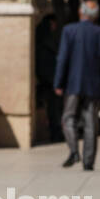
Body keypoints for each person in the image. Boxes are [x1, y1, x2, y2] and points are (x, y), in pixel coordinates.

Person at [54, 0, 100, 171]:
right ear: (96, 16)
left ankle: (74, 150)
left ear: (81, 13)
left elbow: (63, 59)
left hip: (72, 84)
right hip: (94, 86)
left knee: (68, 117)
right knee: (91, 123)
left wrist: (58, 82)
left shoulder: (69, 31)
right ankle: (89, 162)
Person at [35, 12, 64, 145]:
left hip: (47, 78)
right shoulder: (46, 40)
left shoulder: (41, 37)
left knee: (53, 108)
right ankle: (55, 132)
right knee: (53, 108)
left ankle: (55, 131)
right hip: (49, 79)